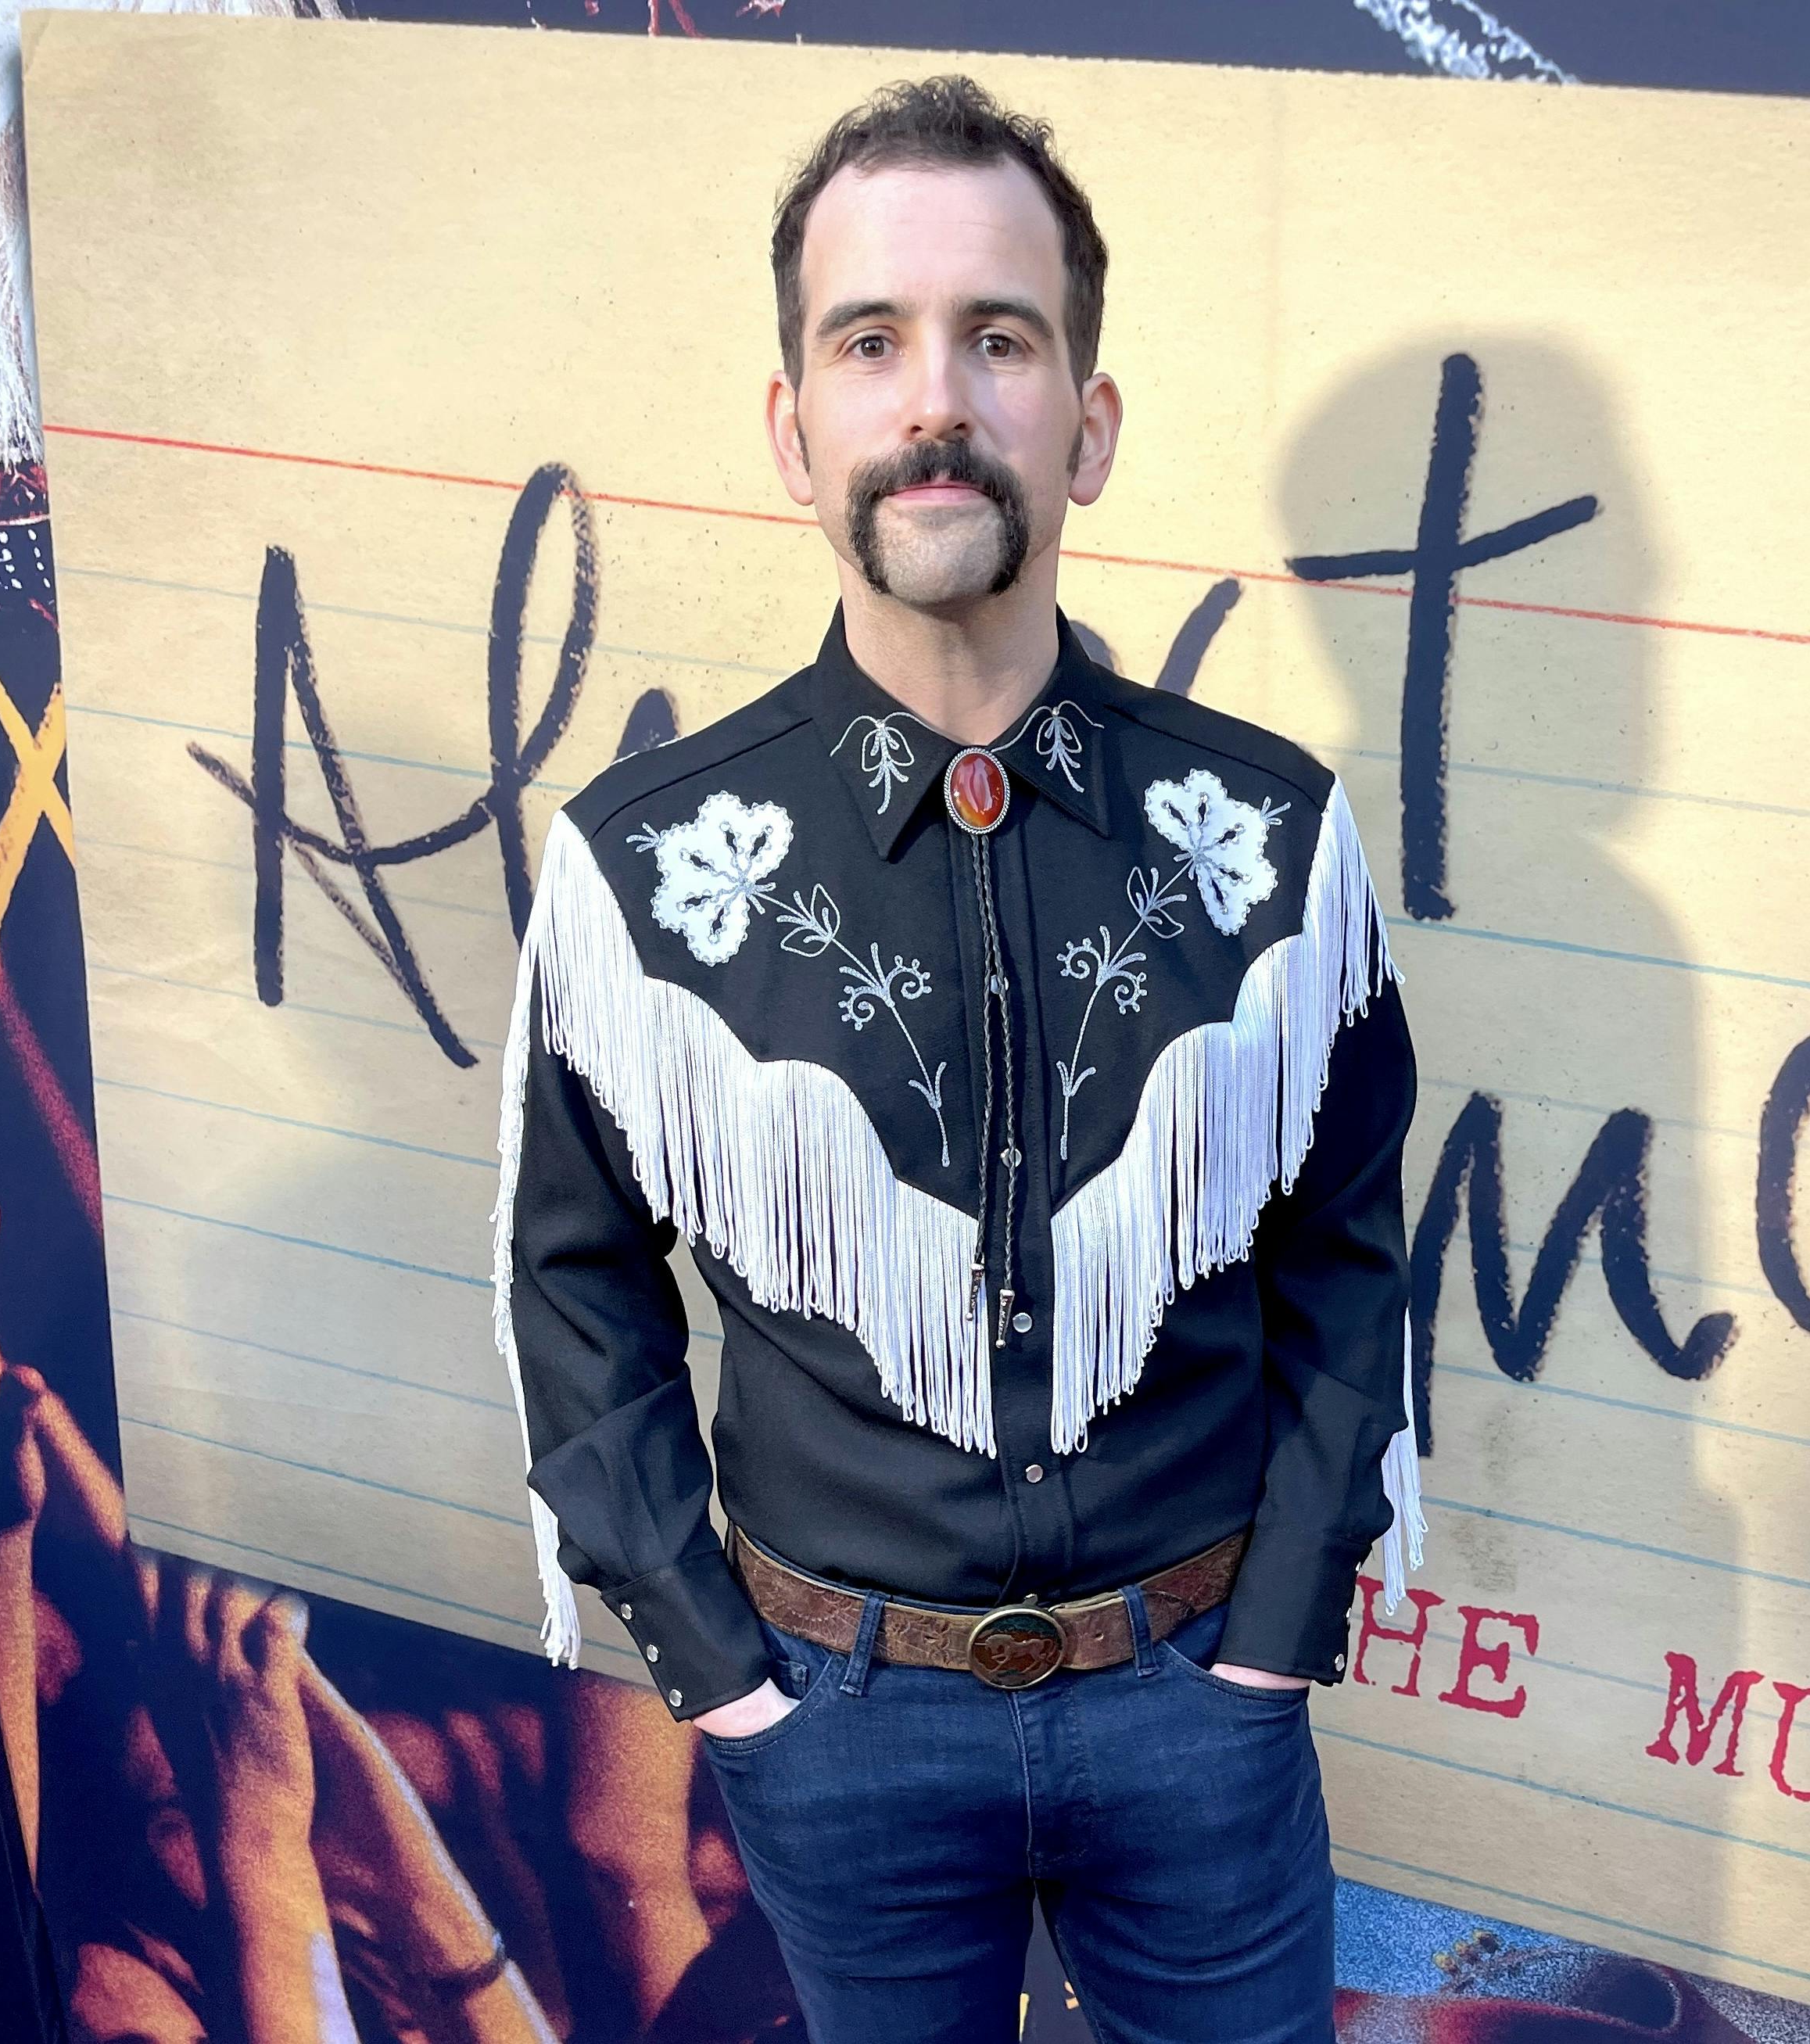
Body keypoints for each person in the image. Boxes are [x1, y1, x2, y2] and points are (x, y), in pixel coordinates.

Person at [492, 74, 1424, 2044]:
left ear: (1086, 425)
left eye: (998, 337)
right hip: (832, 1731)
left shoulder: (1270, 841)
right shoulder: (643, 869)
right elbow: (574, 1286)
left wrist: (1269, 1649)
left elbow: (1347, 1260)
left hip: (1200, 1710)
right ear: (792, 428)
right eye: (870, 340)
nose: (934, 398)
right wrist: (723, 1674)